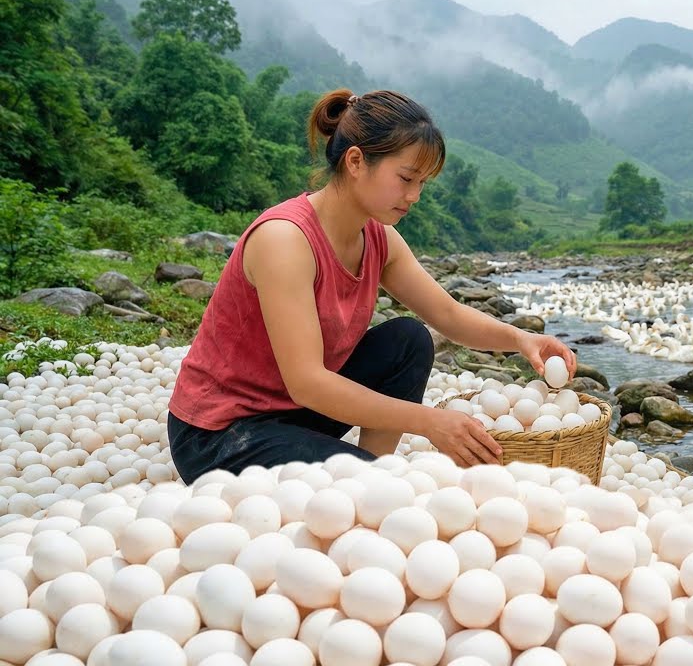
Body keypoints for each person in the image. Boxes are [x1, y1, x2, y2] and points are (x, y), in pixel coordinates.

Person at [166, 88, 576, 483]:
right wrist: (429, 422)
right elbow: (307, 381)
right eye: (406, 178)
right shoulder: (285, 240)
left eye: (422, 184)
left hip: (291, 412)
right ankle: (368, 482)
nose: (414, 196)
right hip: (220, 433)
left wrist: (521, 339)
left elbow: (448, 314)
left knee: (408, 340)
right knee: (388, 489)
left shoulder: (379, 238)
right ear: (357, 161)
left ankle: (370, 472)